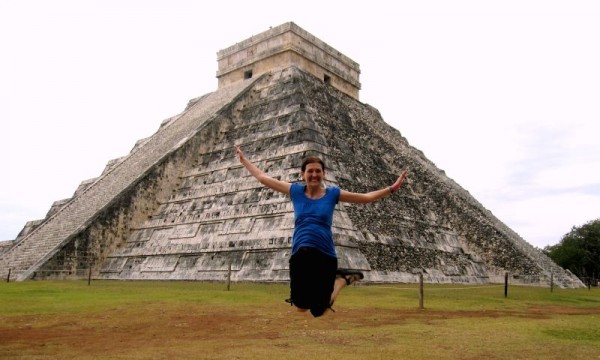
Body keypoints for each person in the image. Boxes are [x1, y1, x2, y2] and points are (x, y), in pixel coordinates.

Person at [235, 146, 407, 317]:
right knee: (301, 306)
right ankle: (340, 279)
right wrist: (244, 161)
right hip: (300, 255)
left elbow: (365, 198)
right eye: (310, 171)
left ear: (324, 174)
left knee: (318, 310)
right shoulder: (295, 191)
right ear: (303, 174)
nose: (314, 175)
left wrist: (392, 188)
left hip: (324, 255)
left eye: (318, 171)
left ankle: (341, 281)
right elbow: (262, 177)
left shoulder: (332, 194)